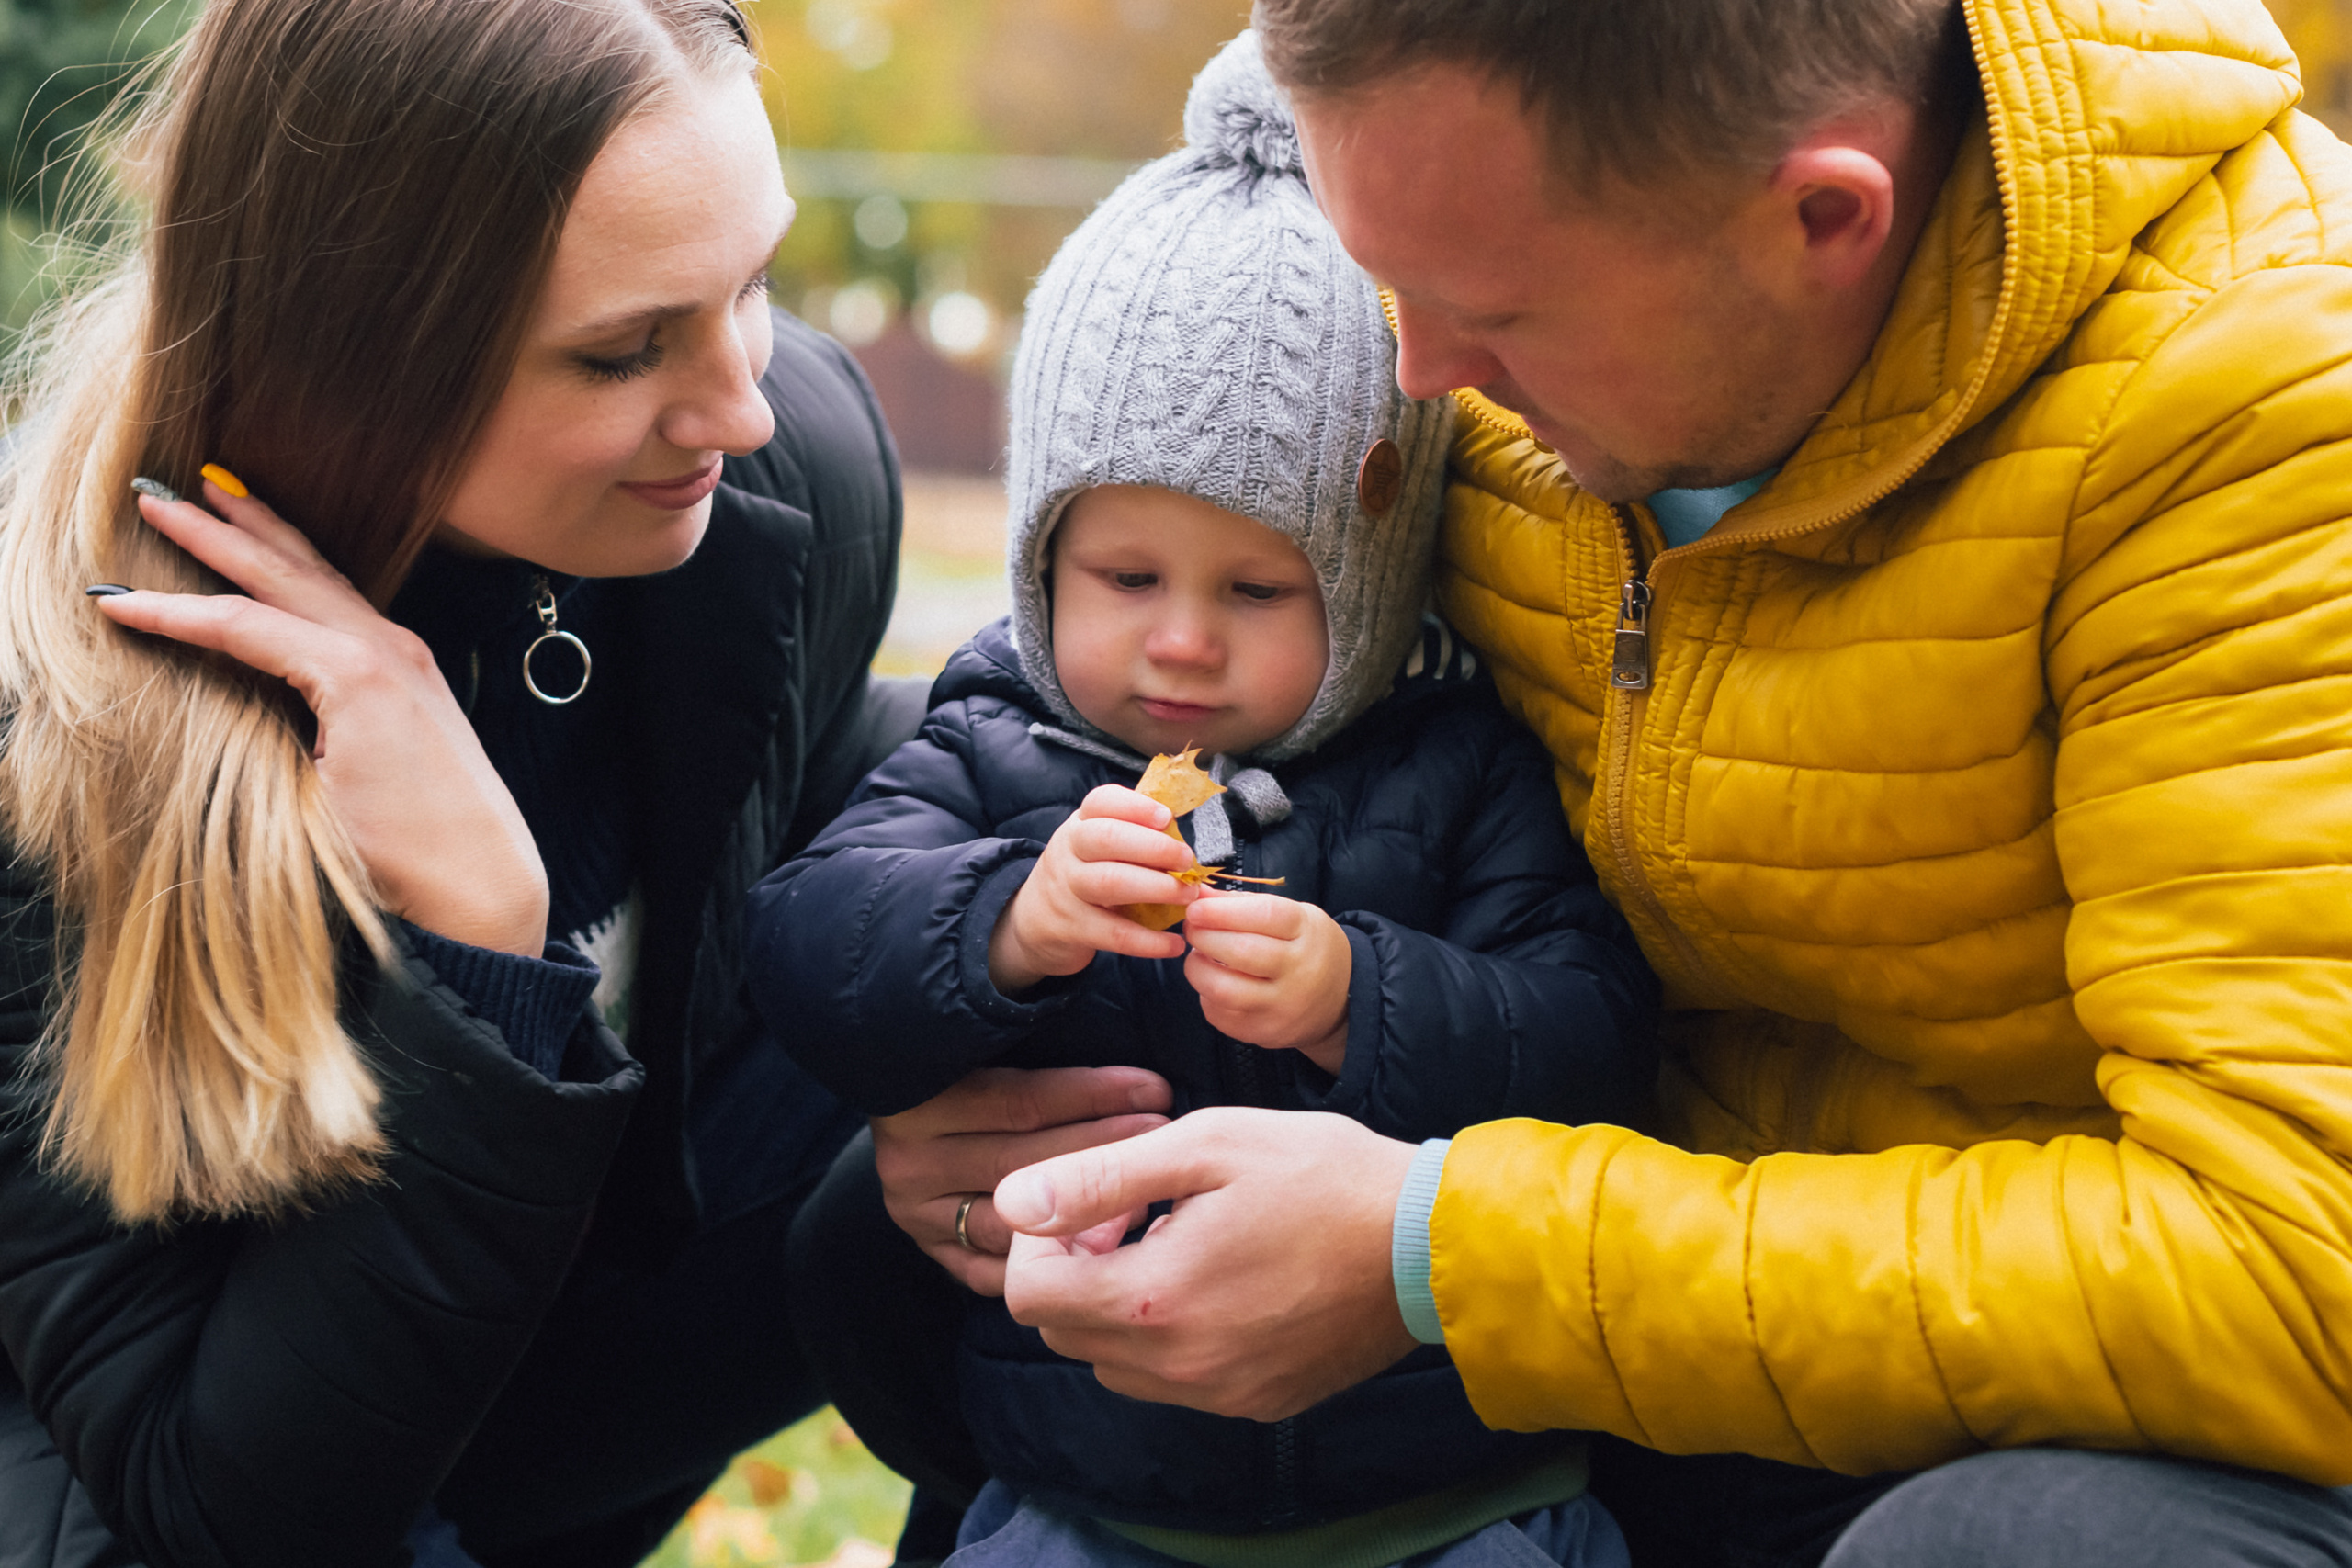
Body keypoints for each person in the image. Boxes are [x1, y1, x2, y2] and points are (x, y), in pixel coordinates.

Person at [938, 0, 2352, 1564]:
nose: (1421, 368)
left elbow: (2297, 1278)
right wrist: (986, 1077)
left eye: (1495, 311)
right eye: (1388, 280)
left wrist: (1442, 1252)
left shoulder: (2269, 410)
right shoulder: (1521, 301)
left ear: (1823, 217)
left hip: (2103, 1386)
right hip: (1634, 1225)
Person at [0, 2, 923, 1565]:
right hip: (156, 1471)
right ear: (354, 364)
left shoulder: (788, 472)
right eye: (623, 350)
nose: (741, 404)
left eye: (751, 283)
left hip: (524, 1360)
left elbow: (820, 823)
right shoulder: (63, 721)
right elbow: (209, 1501)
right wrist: (483, 949)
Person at [752, 37, 1657, 1568]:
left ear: (1368, 593)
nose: (1180, 638)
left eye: (1256, 587)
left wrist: (1360, 997)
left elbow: (1586, 1040)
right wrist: (1008, 920)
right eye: (1124, 578)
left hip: (1441, 1490)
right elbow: (810, 952)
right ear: (1043, 565)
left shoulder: (1451, 763)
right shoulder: (992, 742)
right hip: (1089, 1482)